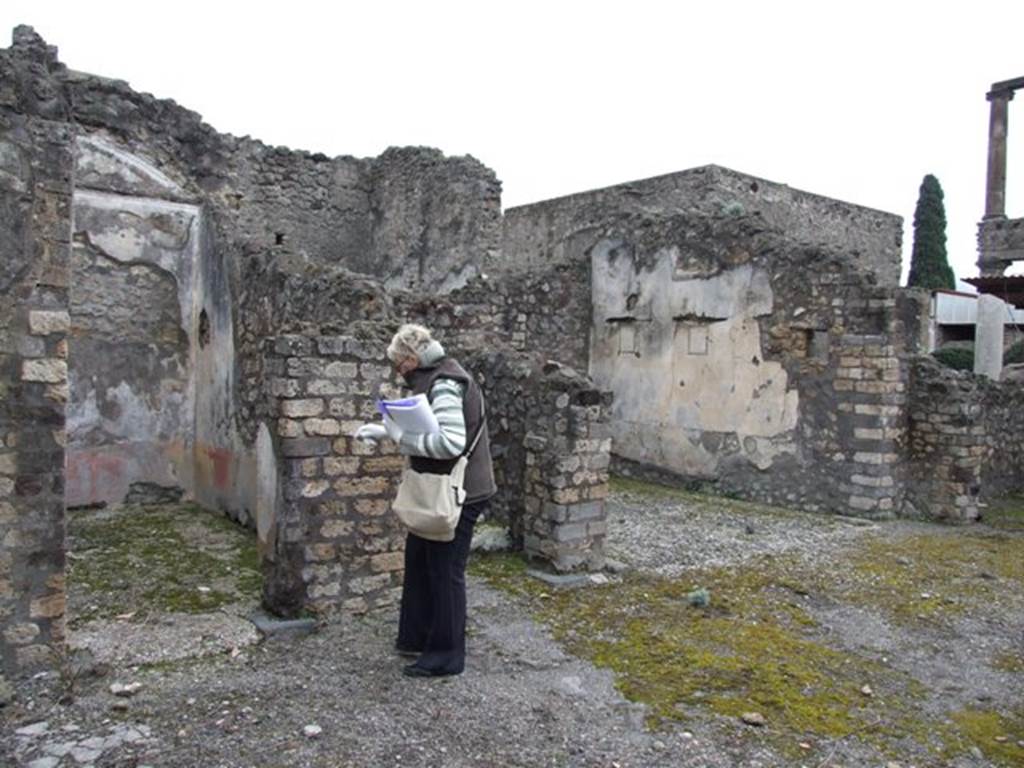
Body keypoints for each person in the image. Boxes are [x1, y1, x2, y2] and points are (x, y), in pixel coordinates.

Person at [354, 324, 496, 678]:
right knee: (419, 560)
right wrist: (385, 429)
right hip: (438, 487)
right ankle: (416, 637)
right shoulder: (433, 376)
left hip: (459, 492)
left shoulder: (446, 382)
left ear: (414, 357)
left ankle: (445, 656)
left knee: (446, 572)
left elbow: (449, 443)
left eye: (400, 363)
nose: (398, 371)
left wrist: (400, 439)